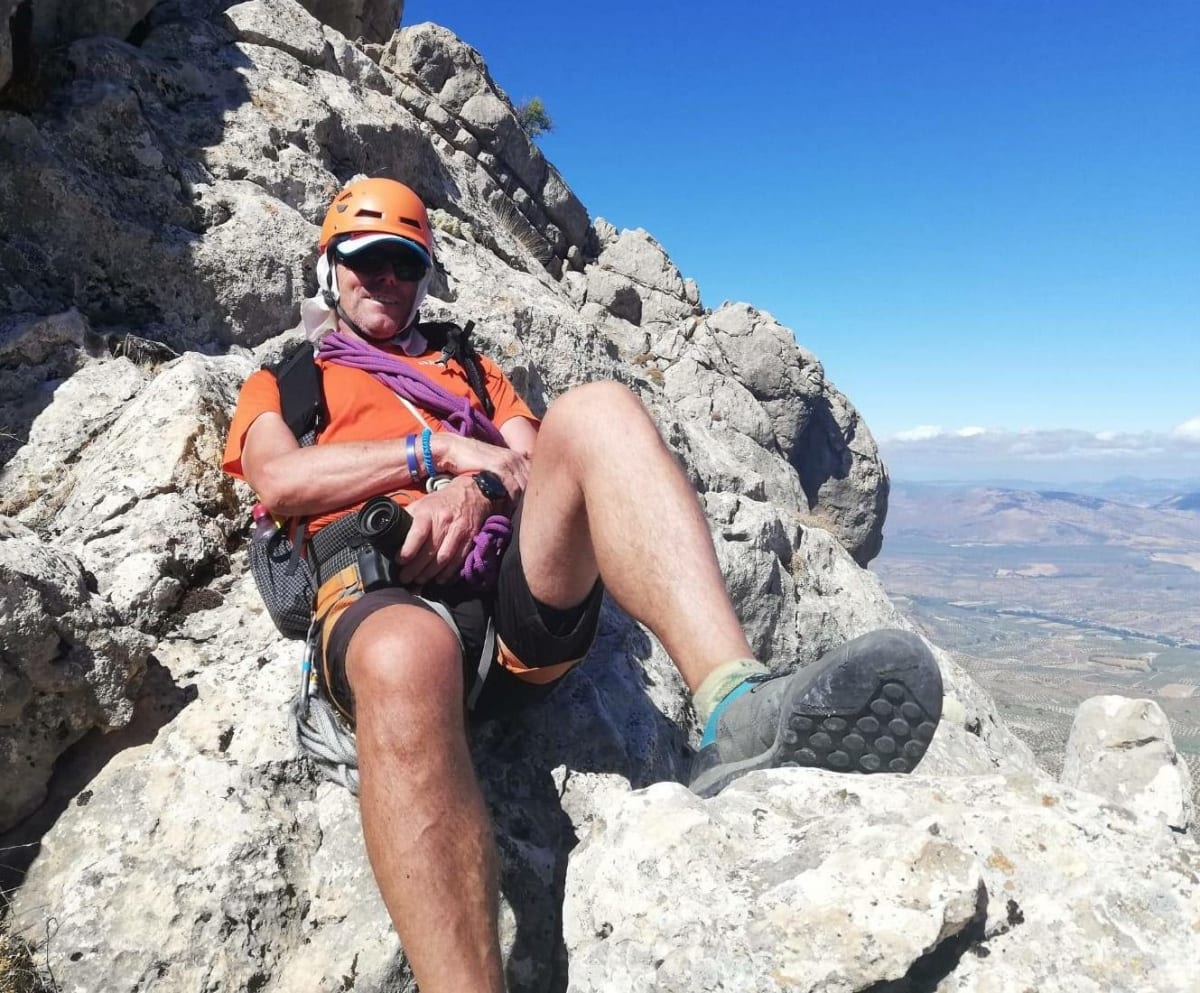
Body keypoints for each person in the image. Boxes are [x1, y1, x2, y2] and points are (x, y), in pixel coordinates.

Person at [222, 177, 943, 993]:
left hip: (509, 599)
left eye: (402, 263)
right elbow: (279, 480)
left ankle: (736, 703)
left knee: (598, 408)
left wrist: (482, 487)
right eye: (365, 262)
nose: (384, 278)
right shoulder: (289, 382)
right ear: (330, 270)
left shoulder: (468, 365)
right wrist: (439, 456)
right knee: (404, 655)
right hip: (382, 594)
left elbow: (531, 457)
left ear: (422, 273)